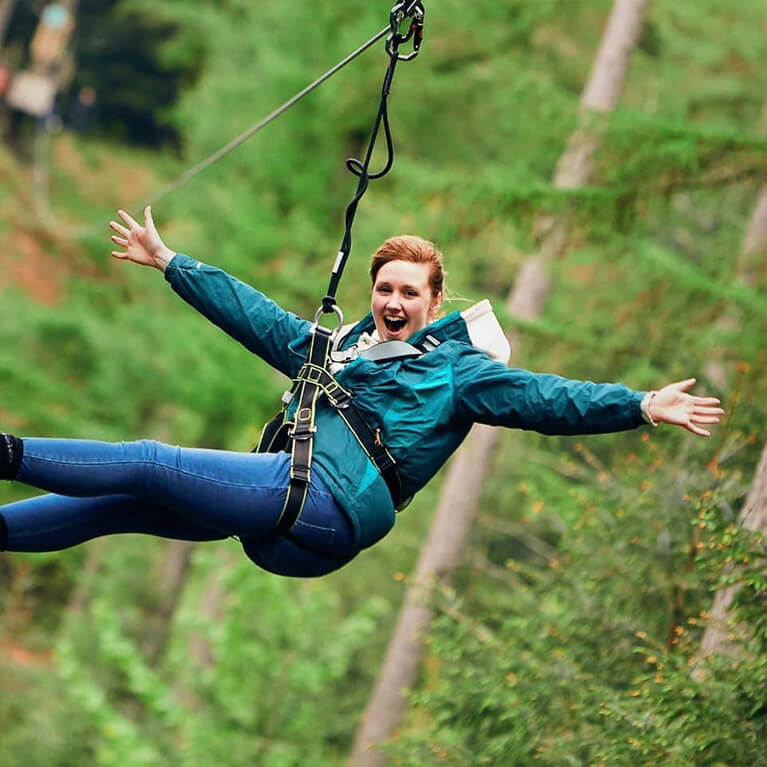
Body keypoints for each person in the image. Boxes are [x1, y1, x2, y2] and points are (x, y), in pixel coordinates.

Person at [0, 207, 725, 577]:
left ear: (434, 303)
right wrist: (171, 262)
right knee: (129, 502)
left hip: (327, 505)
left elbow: (546, 398)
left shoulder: (456, 373)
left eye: (409, 291)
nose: (392, 299)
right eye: (383, 288)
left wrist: (637, 403)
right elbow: (260, 319)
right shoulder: (342, 348)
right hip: (290, 502)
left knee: (151, 463)